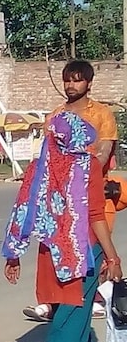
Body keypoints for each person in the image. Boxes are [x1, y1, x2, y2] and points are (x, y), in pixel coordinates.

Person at [3, 111, 122, 342]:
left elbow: (22, 211)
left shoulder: (38, 167)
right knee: (74, 317)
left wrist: (13, 255)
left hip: (52, 254)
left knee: (68, 314)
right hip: (84, 253)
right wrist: (113, 259)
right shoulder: (87, 166)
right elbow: (96, 216)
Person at [20, 61, 120, 323]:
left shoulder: (101, 114)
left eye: (77, 80)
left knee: (93, 246)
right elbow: (48, 157)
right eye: (67, 80)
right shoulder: (54, 117)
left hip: (93, 192)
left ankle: (94, 297)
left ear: (89, 83)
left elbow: (103, 154)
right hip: (58, 200)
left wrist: (77, 175)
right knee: (52, 247)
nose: (71, 85)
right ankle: (51, 300)